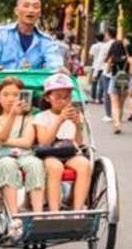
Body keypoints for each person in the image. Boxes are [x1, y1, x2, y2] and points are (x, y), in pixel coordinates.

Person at [0, 76, 45, 239]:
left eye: (16, 94)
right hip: (2, 157)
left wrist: (1, 141)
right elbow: (1, 135)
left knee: (35, 164)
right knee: (7, 165)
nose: (11, 98)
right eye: (6, 94)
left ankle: (38, 216)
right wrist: (12, 115)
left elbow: (26, 142)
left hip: (26, 154)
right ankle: (14, 217)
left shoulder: (29, 118)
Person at [34, 74, 92, 211]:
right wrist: (60, 120)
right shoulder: (41, 116)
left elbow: (78, 142)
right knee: (55, 168)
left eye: (67, 97)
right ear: (48, 98)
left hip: (70, 151)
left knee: (84, 165)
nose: (63, 101)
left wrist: (77, 125)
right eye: (58, 97)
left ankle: (77, 210)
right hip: (49, 153)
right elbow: (44, 141)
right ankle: (55, 211)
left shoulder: (76, 114)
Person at [0, 0, 64, 73]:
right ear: (16, 11)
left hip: (33, 85)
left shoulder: (46, 40)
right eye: (26, 6)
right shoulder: (0, 34)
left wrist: (59, 69)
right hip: (3, 84)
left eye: (35, 7)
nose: (31, 10)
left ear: (39, 13)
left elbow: (55, 62)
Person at [105, 32, 130, 134]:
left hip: (115, 79)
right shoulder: (127, 58)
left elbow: (107, 71)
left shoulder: (112, 58)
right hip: (125, 80)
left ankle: (117, 125)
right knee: (121, 104)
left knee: (114, 104)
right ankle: (118, 121)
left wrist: (111, 65)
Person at [88, 33, 110, 105]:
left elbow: (90, 57)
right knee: (101, 83)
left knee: (94, 82)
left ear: (96, 39)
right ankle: (99, 98)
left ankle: (93, 98)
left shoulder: (94, 46)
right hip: (103, 66)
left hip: (95, 66)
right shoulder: (106, 45)